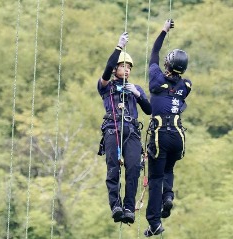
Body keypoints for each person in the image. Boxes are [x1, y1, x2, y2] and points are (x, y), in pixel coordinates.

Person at [97, 32, 152, 224]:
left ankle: (129, 207)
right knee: (113, 169)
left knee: (134, 169)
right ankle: (116, 206)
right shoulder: (106, 86)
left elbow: (148, 109)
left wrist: (137, 93)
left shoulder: (134, 89)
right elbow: (106, 70)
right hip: (113, 128)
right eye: (122, 66)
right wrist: (119, 47)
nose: (126, 70)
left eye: (128, 67)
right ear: (115, 69)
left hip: (131, 131)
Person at [144, 19, 192, 237]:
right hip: (177, 135)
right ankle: (168, 196)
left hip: (159, 134)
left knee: (155, 178)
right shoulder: (186, 86)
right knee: (168, 170)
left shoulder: (156, 79)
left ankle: (154, 222)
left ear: (168, 65)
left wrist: (163, 31)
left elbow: (154, 53)